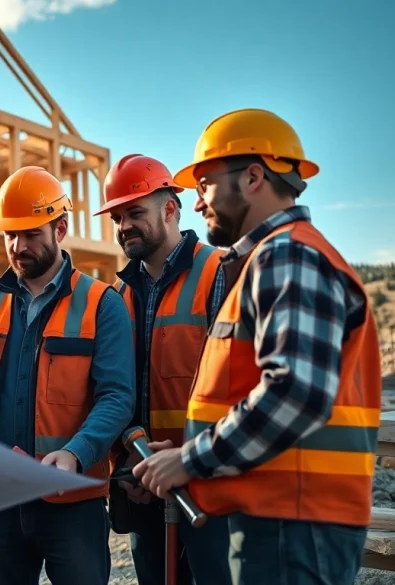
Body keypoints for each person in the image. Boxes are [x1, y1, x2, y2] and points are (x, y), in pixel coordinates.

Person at [133, 108, 381, 585]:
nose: (199, 202)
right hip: (284, 519)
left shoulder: (288, 254)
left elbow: (296, 391)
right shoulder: (272, 258)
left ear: (252, 177)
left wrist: (190, 459)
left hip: (293, 526)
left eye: (205, 183)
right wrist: (192, 451)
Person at [0, 166, 135, 585]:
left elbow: (117, 397)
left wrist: (76, 453)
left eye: (31, 233)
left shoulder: (101, 304)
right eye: (10, 234)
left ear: (60, 228)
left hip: (74, 505)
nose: (18, 245)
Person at [94, 154, 232, 585]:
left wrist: (195, 459)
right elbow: (113, 390)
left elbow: (236, 386)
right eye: (117, 217)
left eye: (135, 212)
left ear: (170, 209)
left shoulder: (219, 273)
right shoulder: (117, 295)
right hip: (145, 484)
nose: (124, 226)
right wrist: (125, 468)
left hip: (210, 483)